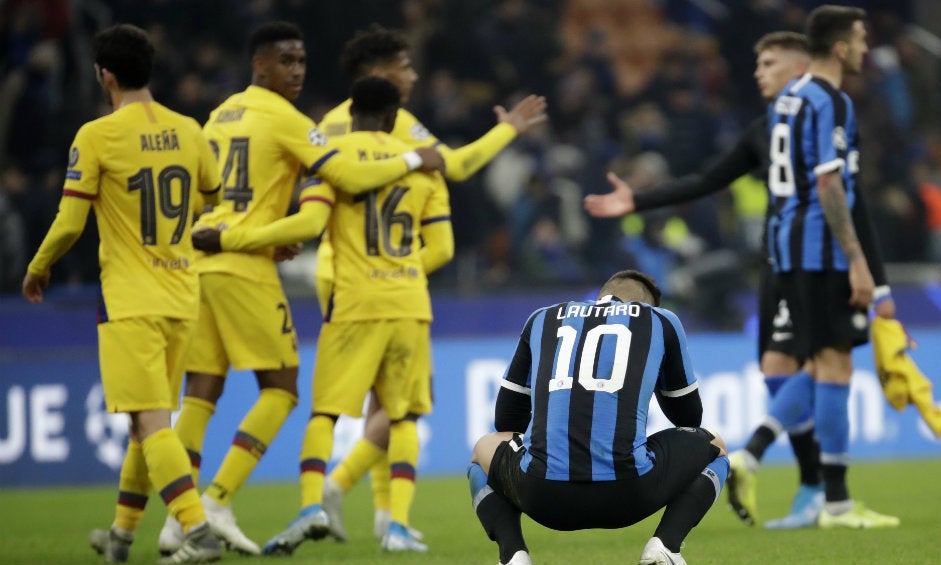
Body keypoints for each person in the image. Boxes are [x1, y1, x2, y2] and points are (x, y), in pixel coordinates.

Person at [584, 30, 896, 529]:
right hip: (783, 263)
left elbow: (843, 199)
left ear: (800, 67)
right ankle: (815, 487)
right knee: (786, 369)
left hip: (806, 260)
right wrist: (639, 200)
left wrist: (871, 275)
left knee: (810, 362)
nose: (758, 72)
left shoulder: (818, 117)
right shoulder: (768, 127)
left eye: (769, 62)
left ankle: (812, 485)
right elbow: (710, 179)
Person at [156, 21, 445, 556]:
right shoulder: (294, 123)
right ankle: (218, 500)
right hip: (249, 268)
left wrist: (225, 231)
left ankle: (181, 520)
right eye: (285, 61)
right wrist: (413, 159)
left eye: (302, 62)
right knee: (286, 387)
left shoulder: (218, 116)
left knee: (201, 392)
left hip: (203, 261)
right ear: (259, 63)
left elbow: (200, 189)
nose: (296, 71)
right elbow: (349, 188)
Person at [314, 23, 547, 543]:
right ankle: (341, 489)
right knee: (401, 407)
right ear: (379, 72)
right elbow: (454, 166)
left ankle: (383, 519)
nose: (414, 74)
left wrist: (506, 130)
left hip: (340, 275)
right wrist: (505, 132)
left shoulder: (338, 126)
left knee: (384, 404)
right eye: (404, 65)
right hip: (371, 281)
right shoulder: (375, 127)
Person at [22, 24, 222, 563]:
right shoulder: (190, 129)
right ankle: (121, 537)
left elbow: (68, 223)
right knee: (146, 424)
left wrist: (38, 268)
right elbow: (212, 197)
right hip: (183, 295)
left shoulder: (97, 135)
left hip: (132, 301)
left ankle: (197, 530)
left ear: (104, 75)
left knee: (149, 422)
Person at [467, 270, 729, 565]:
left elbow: (506, 419)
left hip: (543, 495)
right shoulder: (660, 321)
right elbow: (689, 418)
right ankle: (665, 546)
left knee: (483, 448)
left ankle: (513, 555)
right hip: (629, 493)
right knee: (716, 446)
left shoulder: (541, 318)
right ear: (647, 304)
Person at [760, 5, 897, 528]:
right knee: (834, 363)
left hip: (787, 250)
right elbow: (829, 183)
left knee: (820, 361)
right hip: (821, 251)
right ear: (840, 48)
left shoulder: (787, 100)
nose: (865, 48)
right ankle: (835, 501)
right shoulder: (830, 100)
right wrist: (858, 262)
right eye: (861, 39)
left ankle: (768, 458)